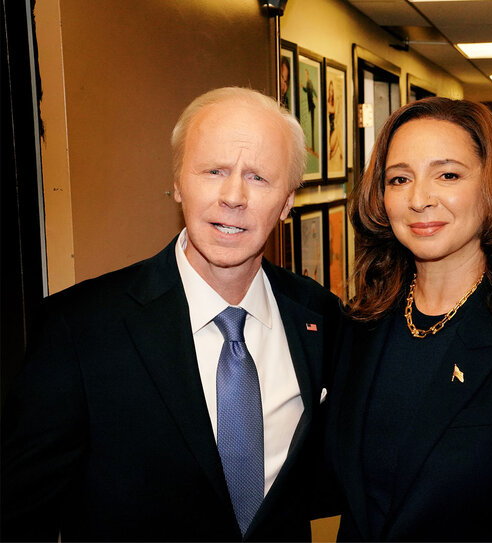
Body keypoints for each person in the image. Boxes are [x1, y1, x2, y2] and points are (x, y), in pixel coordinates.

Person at [1, 87, 343, 541]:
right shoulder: (79, 329)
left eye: (259, 177)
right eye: (214, 170)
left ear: (286, 203)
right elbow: (19, 519)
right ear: (179, 183)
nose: (233, 195)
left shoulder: (319, 318)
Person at [325, 97, 492, 541]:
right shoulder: (361, 326)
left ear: (491, 188)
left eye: (447, 175)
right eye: (399, 179)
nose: (418, 199)